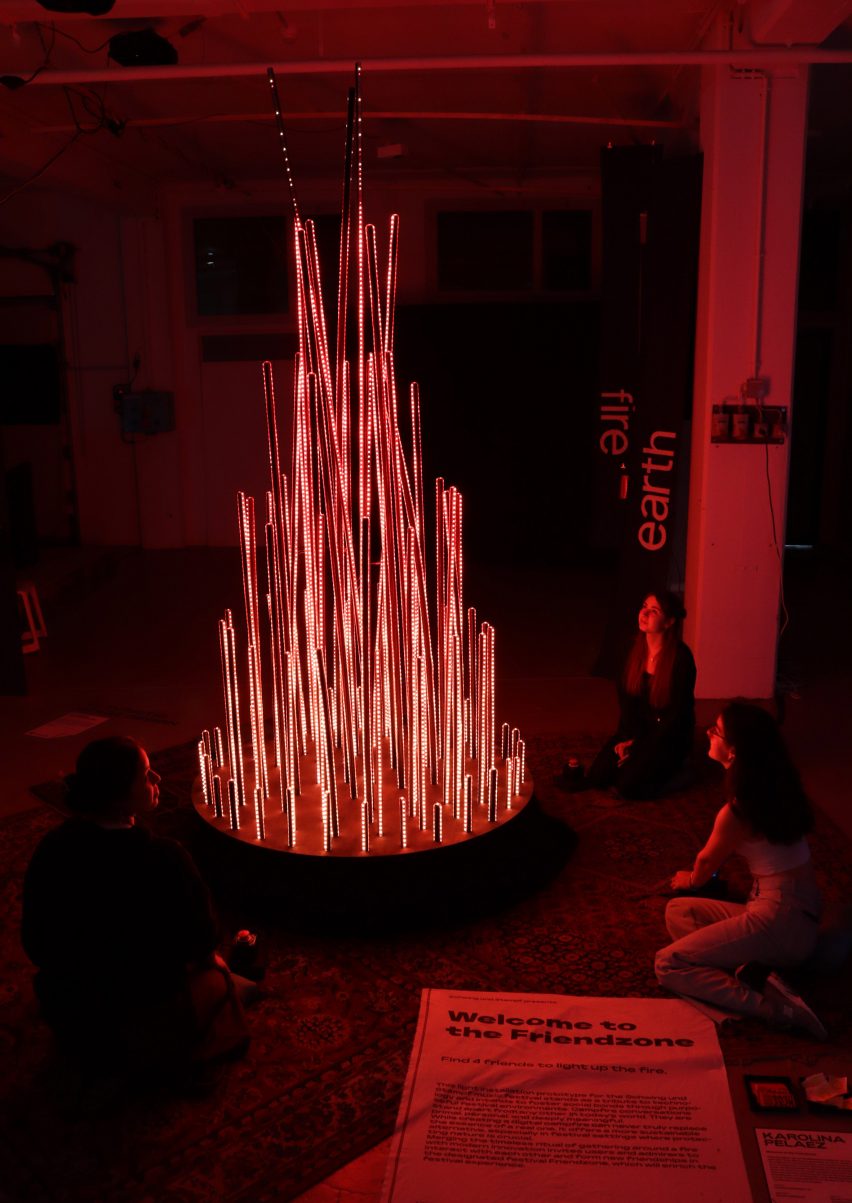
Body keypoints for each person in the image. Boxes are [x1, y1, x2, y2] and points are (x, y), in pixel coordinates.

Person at [21, 736, 252, 1080]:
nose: (157, 779)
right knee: (222, 978)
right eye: (146, 775)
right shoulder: (164, 857)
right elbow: (203, 939)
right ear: (119, 793)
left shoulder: (53, 848)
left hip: (72, 1007)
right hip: (146, 1009)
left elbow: (36, 943)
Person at [655, 703, 826, 1038]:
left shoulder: (736, 811)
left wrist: (687, 879)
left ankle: (775, 1007)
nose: (707, 732)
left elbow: (703, 868)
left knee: (668, 963)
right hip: (794, 913)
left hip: (777, 919)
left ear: (732, 751)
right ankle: (758, 969)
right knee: (680, 912)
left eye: (715, 730)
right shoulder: (776, 787)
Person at [573, 590, 696, 800]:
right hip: (637, 730)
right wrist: (628, 740)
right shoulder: (631, 650)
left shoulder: (681, 660)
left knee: (627, 786)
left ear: (669, 622)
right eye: (644, 606)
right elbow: (627, 703)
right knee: (598, 776)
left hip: (665, 736)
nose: (644, 613)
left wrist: (639, 746)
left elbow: (675, 716)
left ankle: (679, 772)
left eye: (654, 610)